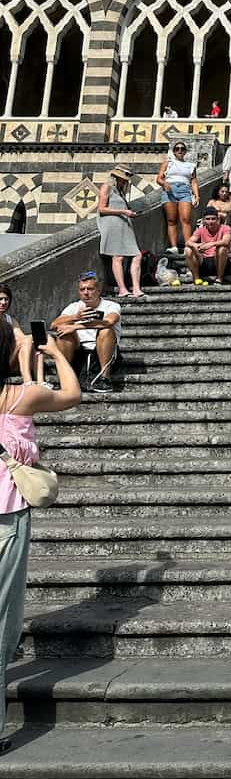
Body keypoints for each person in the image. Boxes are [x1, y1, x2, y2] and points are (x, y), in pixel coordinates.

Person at [0, 322, 80, 752]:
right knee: (1, 623)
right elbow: (72, 394)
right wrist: (55, 354)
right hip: (6, 516)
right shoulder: (21, 397)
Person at [52, 274, 122, 393]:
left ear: (98, 290)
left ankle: (105, 378)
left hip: (103, 350)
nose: (86, 293)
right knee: (64, 333)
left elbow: (109, 321)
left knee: (106, 330)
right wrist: (75, 317)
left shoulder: (111, 305)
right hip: (79, 350)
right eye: (82, 289)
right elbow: (54, 324)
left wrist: (76, 326)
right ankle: (63, 378)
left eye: (90, 289)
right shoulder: (74, 307)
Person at [97, 165, 145, 300]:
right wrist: (123, 212)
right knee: (118, 256)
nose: (125, 181)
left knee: (137, 255)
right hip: (112, 224)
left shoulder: (120, 192)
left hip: (124, 224)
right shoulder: (107, 187)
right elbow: (102, 209)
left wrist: (130, 213)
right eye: (124, 179)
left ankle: (136, 288)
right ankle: (122, 289)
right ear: (117, 177)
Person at [157, 142, 200, 254]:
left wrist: (197, 195)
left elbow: (194, 182)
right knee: (171, 220)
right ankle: (174, 247)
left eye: (182, 149)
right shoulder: (168, 163)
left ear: (185, 151)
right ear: (174, 151)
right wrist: (164, 184)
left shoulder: (191, 166)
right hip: (170, 190)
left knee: (186, 219)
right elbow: (159, 178)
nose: (179, 150)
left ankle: (188, 245)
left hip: (185, 191)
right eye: (177, 149)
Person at [184, 206, 231, 286]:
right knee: (188, 249)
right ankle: (196, 279)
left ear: (218, 219)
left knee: (222, 248)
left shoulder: (225, 228)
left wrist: (211, 244)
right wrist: (196, 245)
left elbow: (226, 241)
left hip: (220, 261)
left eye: (213, 219)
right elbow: (188, 242)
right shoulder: (200, 230)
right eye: (208, 219)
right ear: (203, 220)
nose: (210, 222)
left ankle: (219, 278)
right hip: (204, 262)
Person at [0, 285, 33, 384]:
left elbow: (22, 338)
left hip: (8, 360)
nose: (3, 302)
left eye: (6, 299)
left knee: (32, 339)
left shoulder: (10, 320)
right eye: (0, 299)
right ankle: (28, 381)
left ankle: (40, 381)